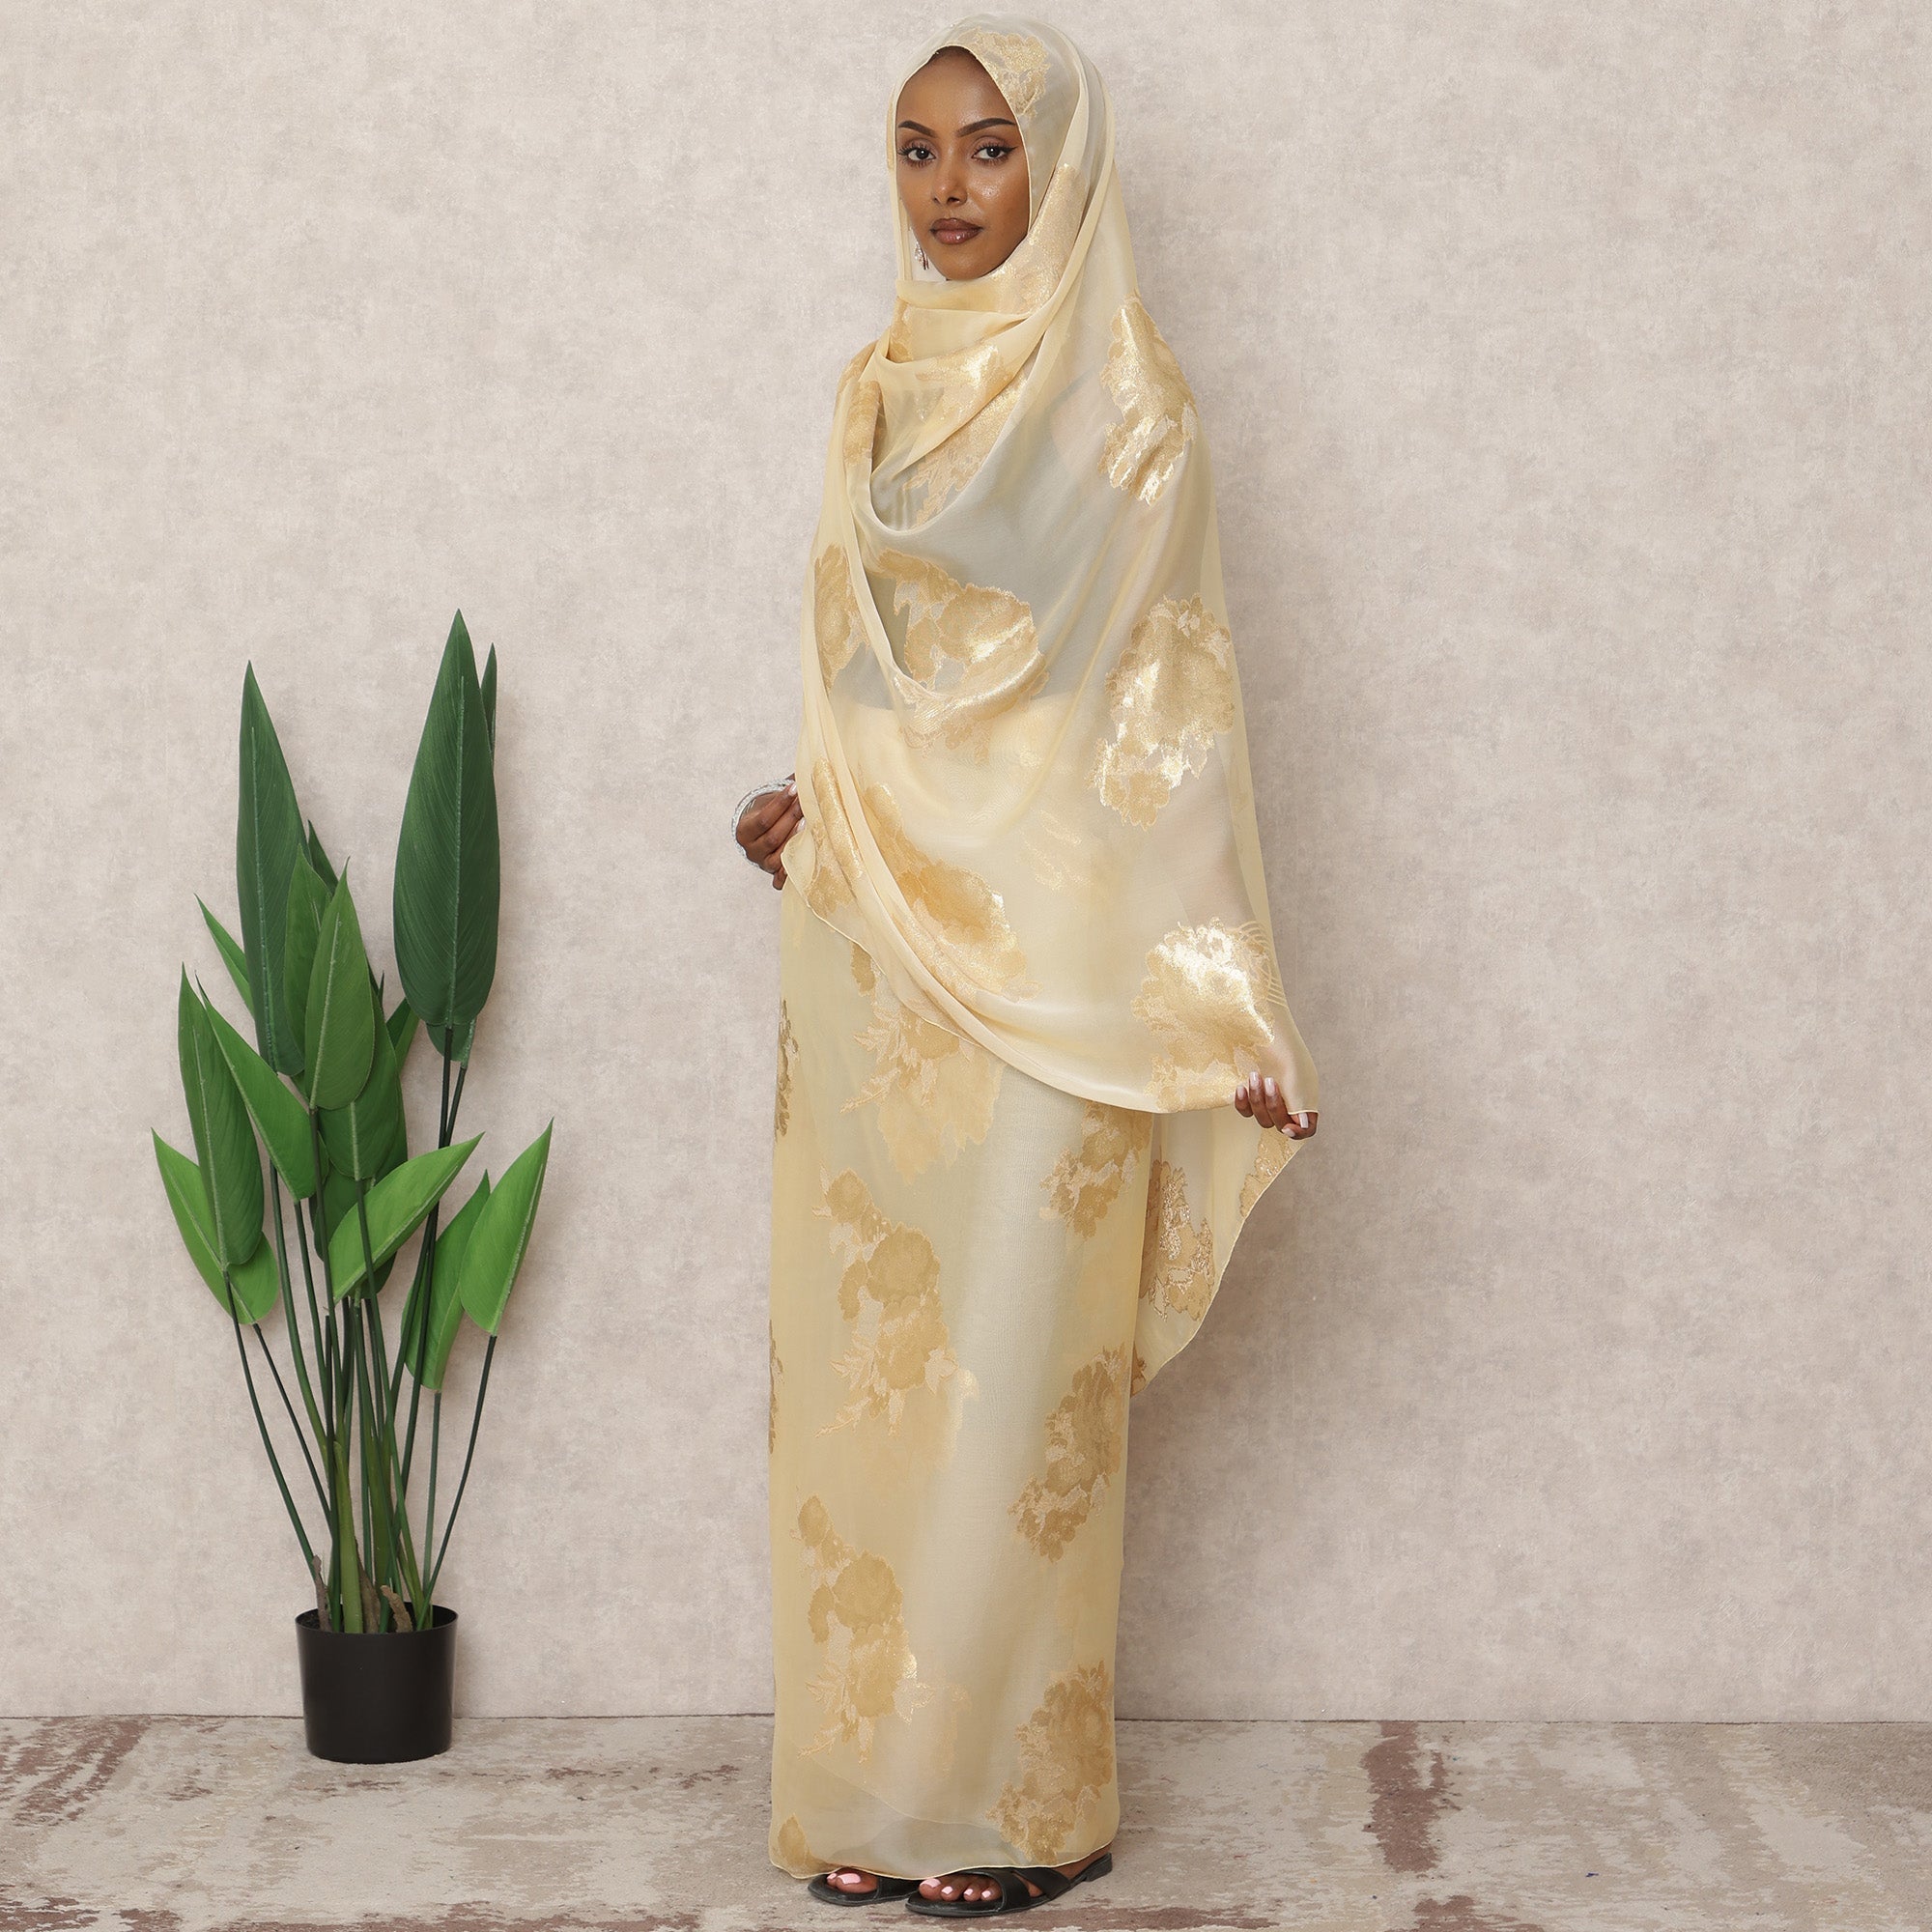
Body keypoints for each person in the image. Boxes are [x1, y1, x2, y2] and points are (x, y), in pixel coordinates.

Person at [734, 14, 1319, 1916]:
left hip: (1062, 970)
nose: (948, 189)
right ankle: (866, 1798)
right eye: (916, 149)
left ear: (1061, 167)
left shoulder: (1133, 415)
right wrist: (819, 810)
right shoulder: (872, 392)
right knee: (876, 1385)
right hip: (878, 965)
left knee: (1016, 1400)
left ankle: (1023, 1811)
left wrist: (1219, 993)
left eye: (990, 149)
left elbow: (1156, 723)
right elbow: (876, 686)